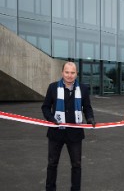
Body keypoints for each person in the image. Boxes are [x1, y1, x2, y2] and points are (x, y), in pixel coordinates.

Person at [41, 62, 95, 191]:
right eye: (67, 72)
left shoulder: (83, 89)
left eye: (72, 73)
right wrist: (51, 119)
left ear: (76, 74)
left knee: (76, 165)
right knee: (52, 164)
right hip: (56, 132)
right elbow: (45, 107)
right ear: (62, 73)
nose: (69, 75)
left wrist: (90, 118)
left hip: (75, 134)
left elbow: (87, 107)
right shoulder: (53, 87)